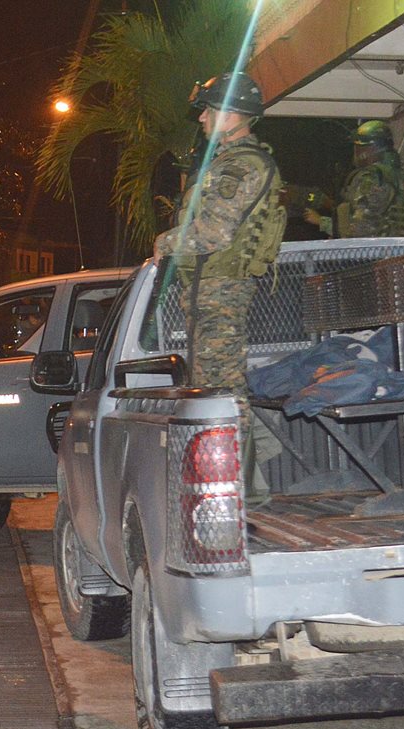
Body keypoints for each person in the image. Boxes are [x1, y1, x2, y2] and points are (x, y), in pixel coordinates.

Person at [153, 71, 285, 502]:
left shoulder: (243, 164)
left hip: (221, 291)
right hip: (212, 289)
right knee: (217, 387)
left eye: (209, 110)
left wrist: (164, 243)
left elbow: (212, 234)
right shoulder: (228, 162)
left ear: (232, 115)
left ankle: (240, 493)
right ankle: (248, 484)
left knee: (224, 394)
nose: (203, 119)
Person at [305, 119, 404, 238]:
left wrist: (323, 223)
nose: (355, 152)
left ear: (369, 150)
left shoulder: (372, 177)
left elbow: (361, 229)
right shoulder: (394, 175)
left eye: (358, 147)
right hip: (387, 249)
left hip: (369, 253)